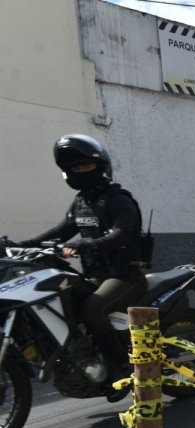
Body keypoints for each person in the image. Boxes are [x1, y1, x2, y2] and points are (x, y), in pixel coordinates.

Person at [14, 134, 146, 400]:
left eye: (87, 166)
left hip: (124, 277)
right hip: (93, 277)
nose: (83, 171)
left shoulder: (118, 199)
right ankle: (83, 357)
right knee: (66, 306)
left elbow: (121, 235)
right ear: (68, 172)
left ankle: (119, 368)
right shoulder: (81, 202)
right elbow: (60, 231)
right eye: (77, 168)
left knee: (92, 308)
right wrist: (19, 245)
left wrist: (87, 244)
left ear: (100, 167)